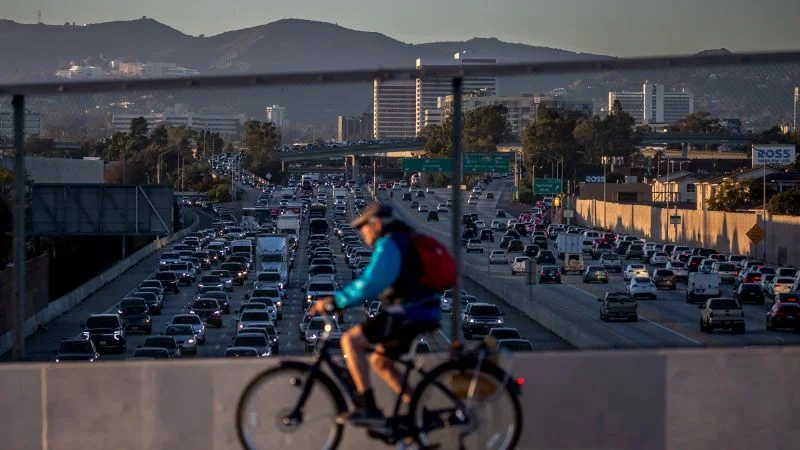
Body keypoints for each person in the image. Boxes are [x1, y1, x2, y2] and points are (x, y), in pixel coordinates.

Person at [310, 203, 443, 427]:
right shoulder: (405, 239)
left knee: (350, 341)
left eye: (364, 229)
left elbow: (371, 283)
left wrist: (337, 302)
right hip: (422, 310)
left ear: (377, 224)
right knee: (381, 361)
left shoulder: (390, 244)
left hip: (409, 312)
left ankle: (368, 408)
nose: (363, 235)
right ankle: (422, 415)